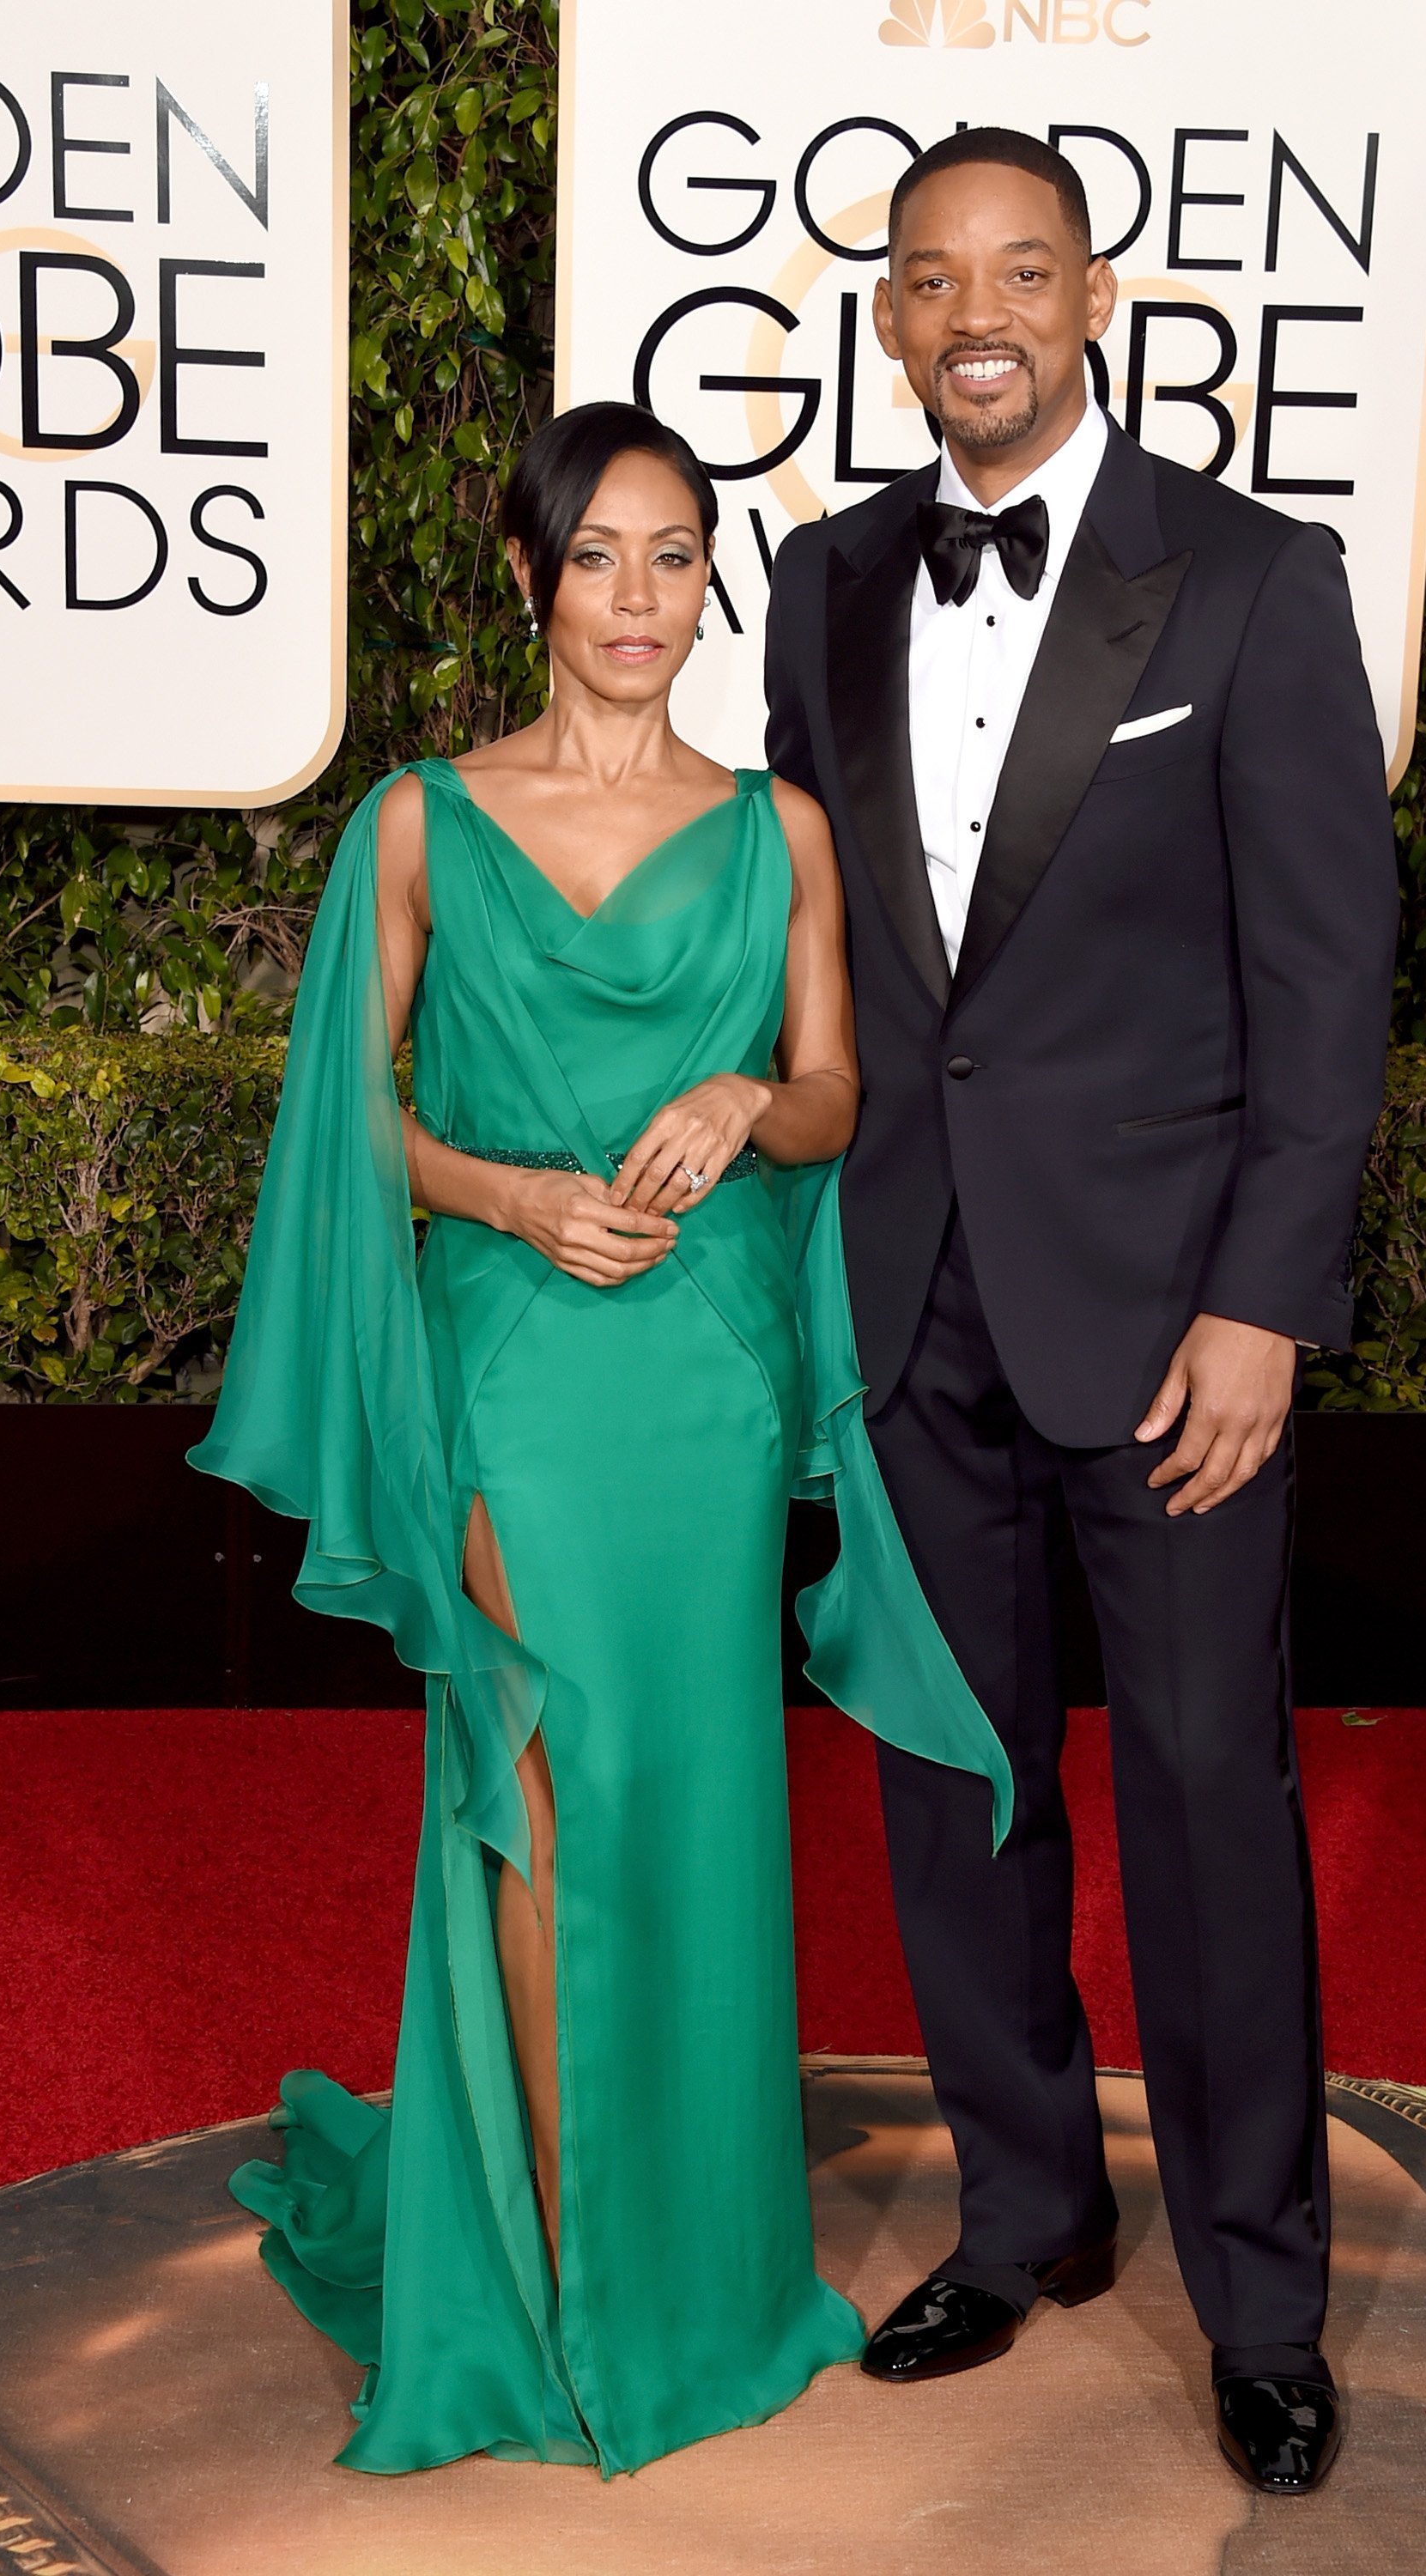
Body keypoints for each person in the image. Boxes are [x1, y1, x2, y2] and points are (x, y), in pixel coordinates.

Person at [189, 400, 1010, 2478]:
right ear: (532, 580)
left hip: (709, 1378)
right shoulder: (418, 820)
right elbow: (344, 1126)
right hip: (514, 1365)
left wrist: (746, 1106)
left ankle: (701, 2262)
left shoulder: (779, 831)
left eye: (671, 558)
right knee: (544, 1788)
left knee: (698, 1798)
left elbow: (834, 1096)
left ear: (704, 583)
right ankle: (564, 2276)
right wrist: (497, 1191)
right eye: (596, 559)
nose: (635, 601)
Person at [764, 127, 1399, 2494]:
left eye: (1021, 268)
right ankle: (1027, 2213)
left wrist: (1265, 1307)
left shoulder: (1245, 580)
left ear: (1097, 294)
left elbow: (1329, 974)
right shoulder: (826, 582)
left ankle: (1261, 2291)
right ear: (892, 316)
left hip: (1170, 1336)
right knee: (957, 1787)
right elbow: (820, 945)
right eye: (933, 277)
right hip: (906, 1294)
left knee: (1211, 1800)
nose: (976, 312)